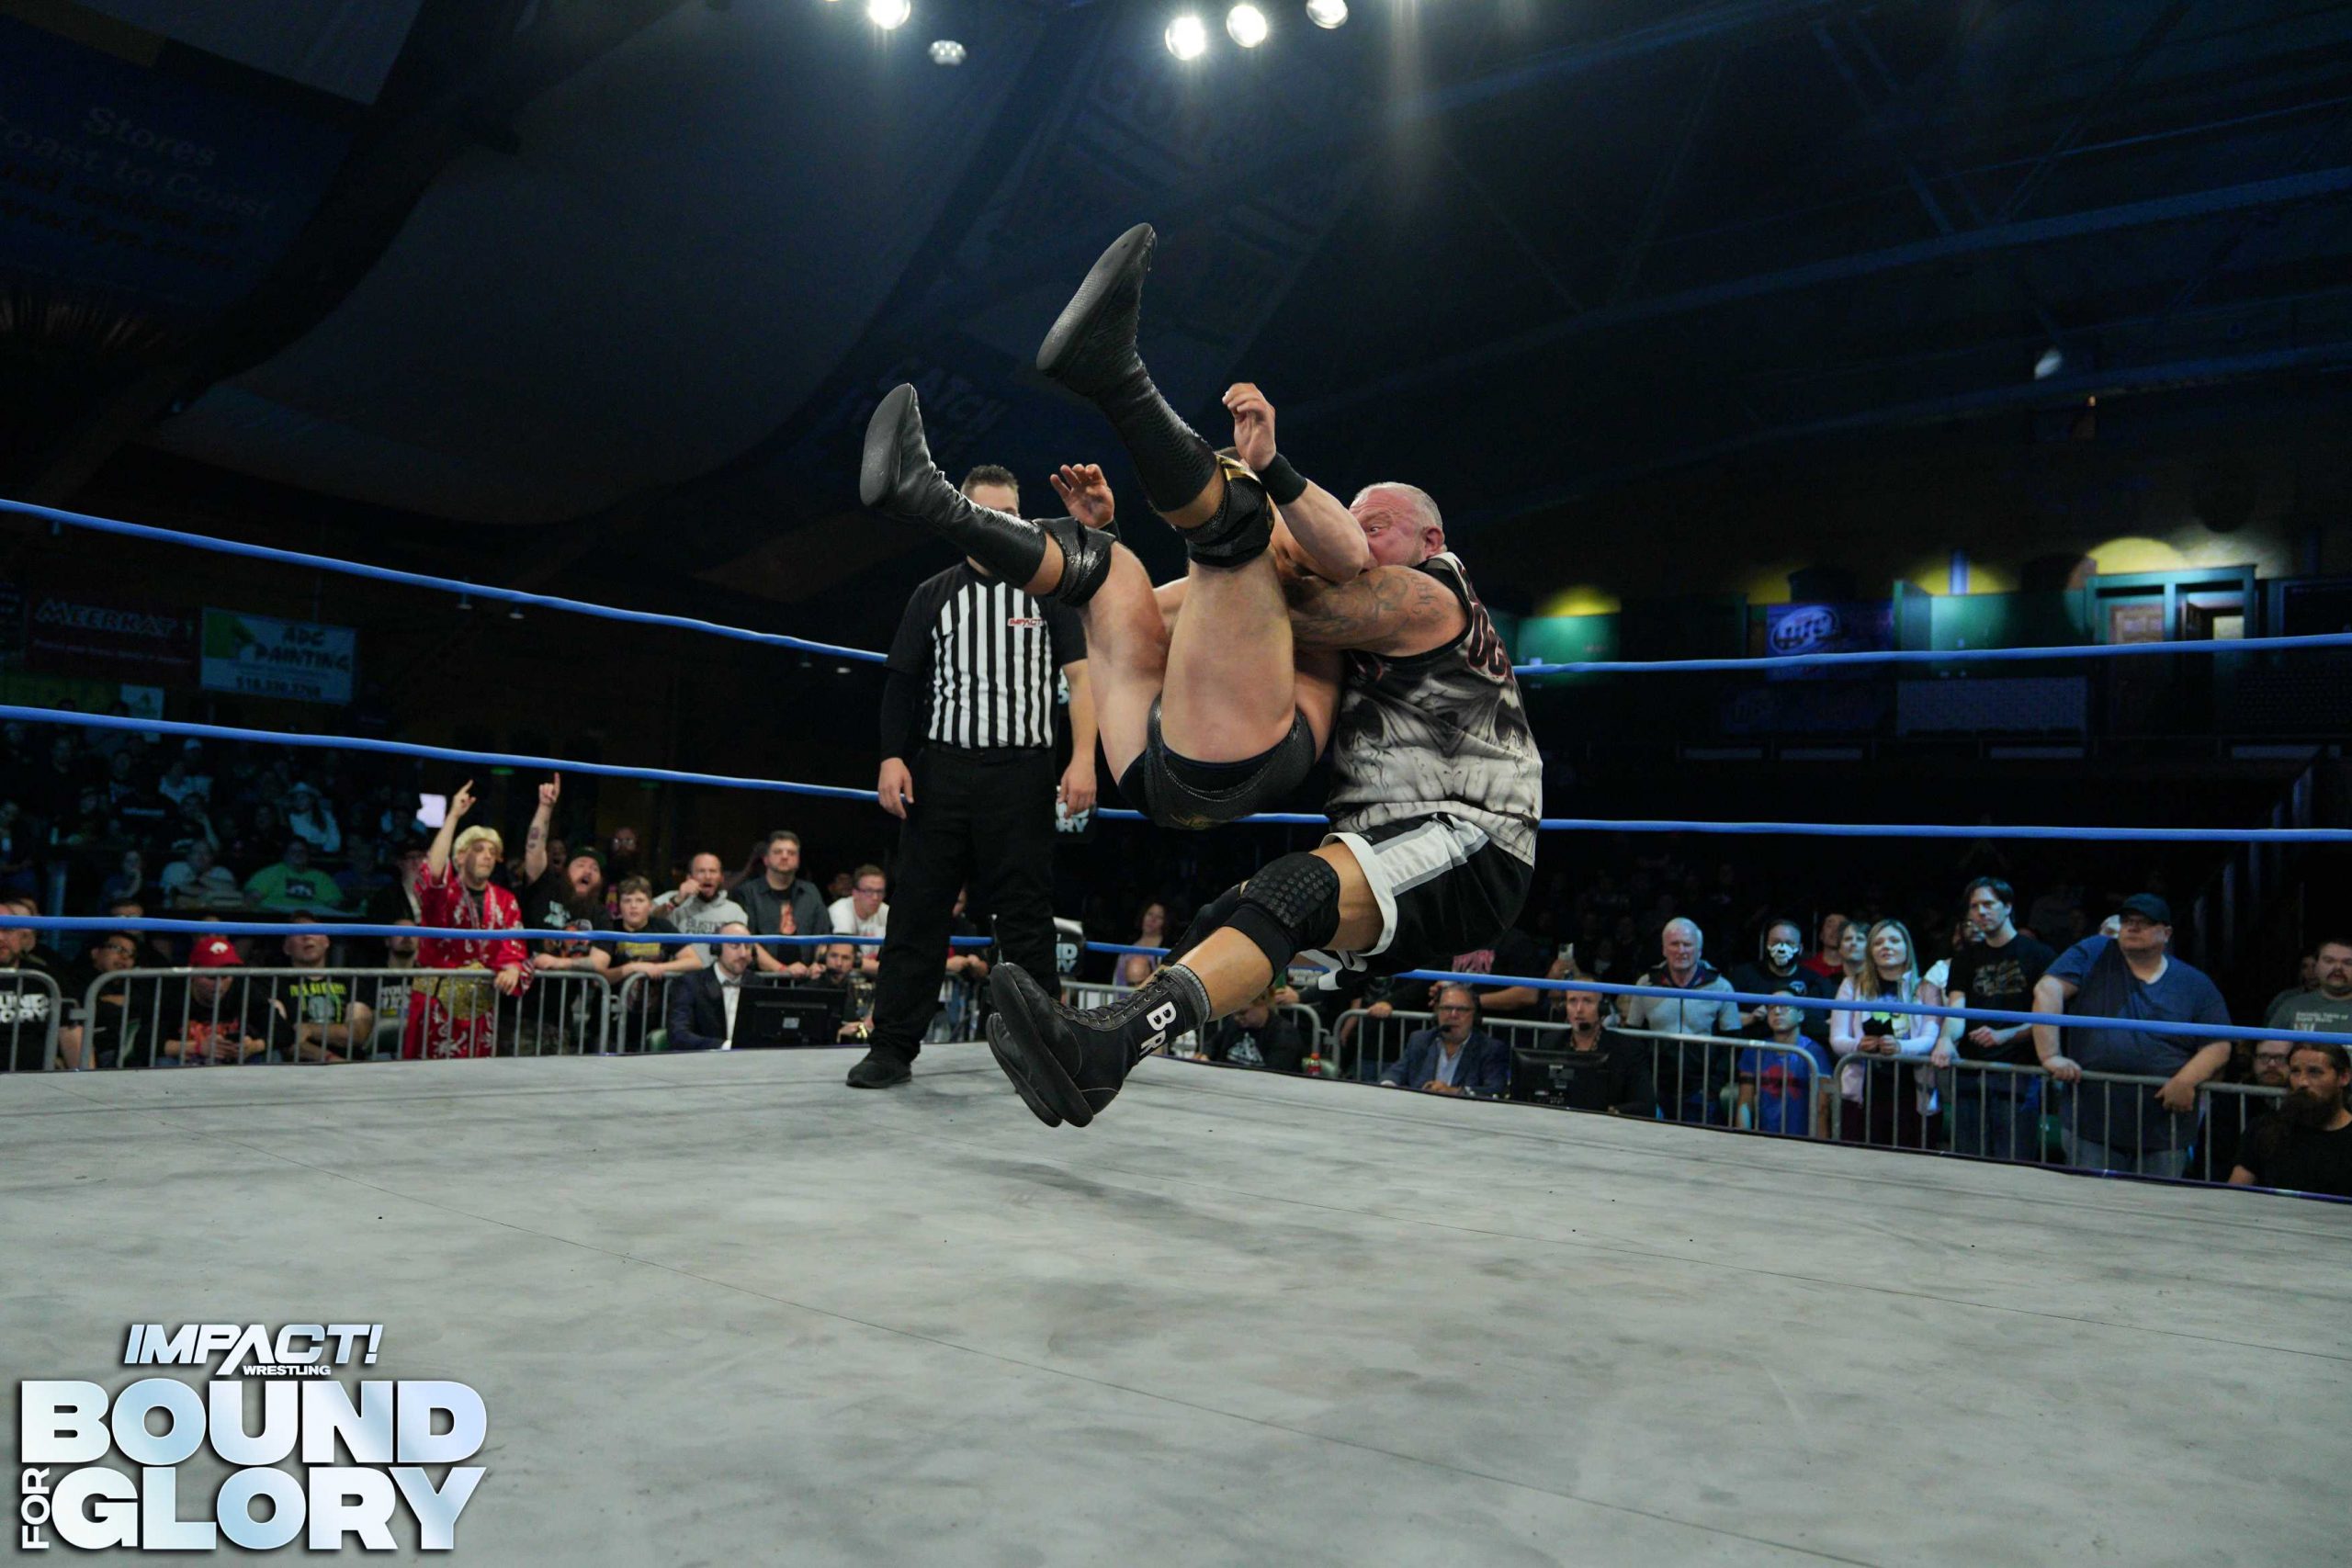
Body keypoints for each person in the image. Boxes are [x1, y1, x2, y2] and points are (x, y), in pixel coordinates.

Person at [843, 463, 1101, 1091]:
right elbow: (902, 680)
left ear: (1021, 520)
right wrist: (892, 756)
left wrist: (1084, 758)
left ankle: (1043, 1052)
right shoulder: (934, 594)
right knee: (918, 910)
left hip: (1023, 773)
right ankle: (892, 1046)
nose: (995, 525)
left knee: (1026, 915)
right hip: (944, 772)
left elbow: (1082, 677)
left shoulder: (1048, 592)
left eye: (1005, 515)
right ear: (961, 520)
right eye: (982, 514)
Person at [2031, 895, 2231, 1179]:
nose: (2133, 928)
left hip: (2163, 1127)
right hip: (2092, 1120)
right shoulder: (2096, 951)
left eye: (2144, 923)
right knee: (2092, 1198)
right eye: (2127, 921)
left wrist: (2186, 1080)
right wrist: (2050, 1055)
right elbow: (2047, 989)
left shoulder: (2193, 983)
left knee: (2153, 1202)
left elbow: (2219, 1044)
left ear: (2166, 933)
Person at [402, 780, 531, 1061]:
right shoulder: (444, 894)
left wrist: (512, 967)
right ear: (460, 856)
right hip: (436, 1004)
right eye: (479, 849)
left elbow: (514, 944)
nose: (487, 856)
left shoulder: (506, 899)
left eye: (492, 852)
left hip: (481, 1011)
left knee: (476, 1079)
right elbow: (433, 872)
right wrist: (453, 816)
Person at [1938, 877, 2056, 1162]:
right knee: (1968, 1160)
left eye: (1988, 904)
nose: (1981, 912)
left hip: (2019, 1074)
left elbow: (2049, 1017)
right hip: (1971, 1071)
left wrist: (2006, 1035)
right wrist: (1945, 1039)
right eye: (1974, 906)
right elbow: (1957, 1009)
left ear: (2007, 907)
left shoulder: (2039, 955)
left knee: (2013, 1161)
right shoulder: (1965, 958)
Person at [1829, 919, 1943, 1149]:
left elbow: (1931, 1039)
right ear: (1870, 950)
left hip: (1912, 1090)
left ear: (1907, 947)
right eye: (1878, 942)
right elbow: (1837, 1039)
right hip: (1864, 1091)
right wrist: (1859, 1045)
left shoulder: (1925, 987)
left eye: (1894, 941)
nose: (1886, 947)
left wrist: (1901, 1047)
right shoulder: (1851, 985)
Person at [1619, 918, 1743, 1123]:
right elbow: (1633, 1037)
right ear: (1664, 949)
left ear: (1699, 950)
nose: (1681, 951)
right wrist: (1644, 1081)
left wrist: (1713, 1086)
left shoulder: (1721, 987)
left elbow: (1733, 1043)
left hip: (1702, 1089)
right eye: (1674, 944)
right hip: (1657, 1086)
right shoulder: (1646, 984)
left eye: (1687, 944)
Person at [2228, 1041, 2352, 1196]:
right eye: (2295, 1071)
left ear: (2344, 1077)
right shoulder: (2264, 1129)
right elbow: (2234, 1194)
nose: (2302, 1082)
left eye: (2314, 1072)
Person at [596, 876, 703, 1048]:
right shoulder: (610, 929)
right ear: (619, 905)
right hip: (610, 1019)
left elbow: (694, 961)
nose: (633, 906)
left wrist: (658, 967)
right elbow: (598, 978)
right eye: (627, 900)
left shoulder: (662, 927)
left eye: (640, 900)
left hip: (653, 1020)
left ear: (649, 904)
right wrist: (632, 968)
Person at [152, 936, 275, 1067]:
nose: (219, 985)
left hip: (235, 1063)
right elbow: (145, 1042)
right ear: (193, 973)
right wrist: (197, 1047)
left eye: (225, 976)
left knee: (272, 1055)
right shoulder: (173, 992)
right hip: (188, 1064)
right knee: (163, 1063)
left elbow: (281, 1030)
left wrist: (253, 1046)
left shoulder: (241, 988)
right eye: (211, 977)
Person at [1379, 985, 1510, 1099]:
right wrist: (1388, 1085)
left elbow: (1495, 1090)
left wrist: (1455, 1091)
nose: (1453, 1015)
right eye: (1447, 1008)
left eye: (1462, 1009)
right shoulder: (1421, 1040)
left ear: (1475, 1015)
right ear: (1437, 1012)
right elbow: (1395, 1073)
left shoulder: (1490, 1048)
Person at [517, 773, 607, 934]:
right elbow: (534, 851)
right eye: (581, 865)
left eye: (595, 868)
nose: (588, 871)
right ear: (566, 871)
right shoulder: (546, 889)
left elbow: (601, 951)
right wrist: (545, 807)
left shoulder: (600, 914)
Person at [1545, 988, 1657, 1117]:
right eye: (1572, 1001)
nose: (1579, 1009)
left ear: (1603, 1008)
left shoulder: (1628, 1049)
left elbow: (1645, 1105)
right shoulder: (1551, 1042)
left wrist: (1609, 1113)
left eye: (1587, 1001)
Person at [735, 830, 831, 980]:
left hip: (807, 978)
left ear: (798, 860)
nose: (785, 856)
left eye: (791, 853)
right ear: (766, 859)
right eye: (778, 852)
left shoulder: (811, 891)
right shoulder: (748, 892)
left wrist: (818, 963)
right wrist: (782, 969)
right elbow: (747, 941)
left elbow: (823, 936)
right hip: (761, 980)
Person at [277, 918, 373, 1064]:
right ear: (286, 947)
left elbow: (357, 1033)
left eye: (313, 931)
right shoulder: (275, 984)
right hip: (299, 1068)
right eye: (298, 932)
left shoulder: (350, 981)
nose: (307, 936)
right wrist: (331, 1058)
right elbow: (282, 1039)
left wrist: (309, 1029)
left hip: (352, 1066)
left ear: (326, 941)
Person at [1738, 991, 1833, 1137]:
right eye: (1772, 1007)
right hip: (1763, 1138)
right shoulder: (1755, 1050)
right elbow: (1745, 1102)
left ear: (1800, 1015)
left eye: (1785, 1007)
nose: (1777, 1012)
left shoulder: (1815, 1052)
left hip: (1802, 1139)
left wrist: (1821, 1146)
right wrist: (1742, 1141)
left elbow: (1822, 1107)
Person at [1728, 917, 1830, 1045]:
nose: (1782, 948)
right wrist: (1751, 1017)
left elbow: (1824, 1022)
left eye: (1789, 943)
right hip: (1752, 1050)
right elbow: (1725, 1018)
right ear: (1767, 945)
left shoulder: (1814, 981)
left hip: (1797, 1053)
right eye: (1776, 942)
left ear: (1800, 948)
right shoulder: (1744, 974)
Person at [666, 923, 760, 1052]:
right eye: (735, 945)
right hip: (703, 1060)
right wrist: (724, 1046)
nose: (743, 953)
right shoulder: (690, 984)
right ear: (717, 948)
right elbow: (679, 1035)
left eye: (748, 946)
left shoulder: (756, 982)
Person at [1201, 991, 1307, 1074]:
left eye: (1243, 1013)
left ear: (1262, 1003)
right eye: (1234, 1013)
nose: (1237, 1018)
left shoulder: (1284, 1033)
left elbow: (1275, 1073)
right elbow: (1213, 1044)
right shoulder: (1235, 1024)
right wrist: (1205, 1056)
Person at [2265, 938, 2352, 1035]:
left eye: (2348, 963)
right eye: (2329, 961)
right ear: (2317, 966)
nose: (2338, 967)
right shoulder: (2291, 1006)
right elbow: (2269, 1043)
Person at [242, 839, 346, 914]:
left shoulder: (321, 878)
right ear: (285, 855)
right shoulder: (271, 873)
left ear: (308, 855)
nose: (298, 854)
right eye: (293, 851)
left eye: (302, 851)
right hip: (276, 919)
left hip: (313, 923)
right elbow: (252, 899)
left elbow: (335, 904)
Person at [826, 866, 890, 983]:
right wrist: (885, 968)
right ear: (855, 893)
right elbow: (845, 960)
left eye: (879, 891)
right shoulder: (840, 911)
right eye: (869, 891)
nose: (875, 897)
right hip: (844, 980)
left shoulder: (887, 912)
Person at [1117, 901, 1170, 989]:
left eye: (1159, 917)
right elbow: (1118, 982)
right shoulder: (1127, 949)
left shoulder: (1167, 950)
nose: (1152, 920)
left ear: (1165, 922)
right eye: (1150, 914)